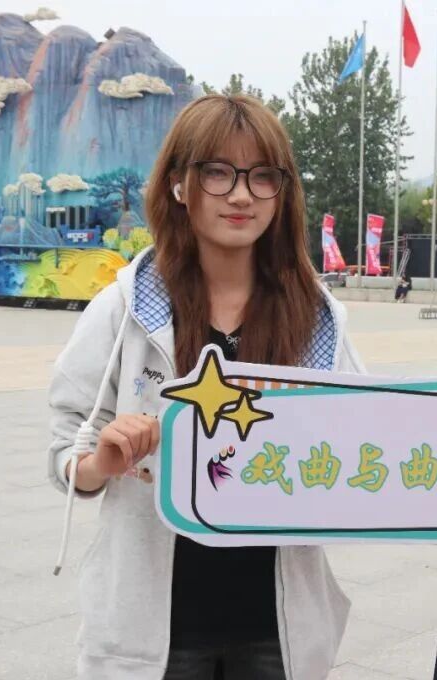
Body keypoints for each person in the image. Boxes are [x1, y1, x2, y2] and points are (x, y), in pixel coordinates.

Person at [48, 95, 364, 680]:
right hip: (154, 633)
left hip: (277, 630)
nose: (242, 195)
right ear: (178, 184)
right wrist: (101, 462)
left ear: (282, 193)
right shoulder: (123, 309)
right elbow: (67, 445)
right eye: (218, 172)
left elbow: (371, 447)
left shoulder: (318, 320)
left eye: (262, 176)